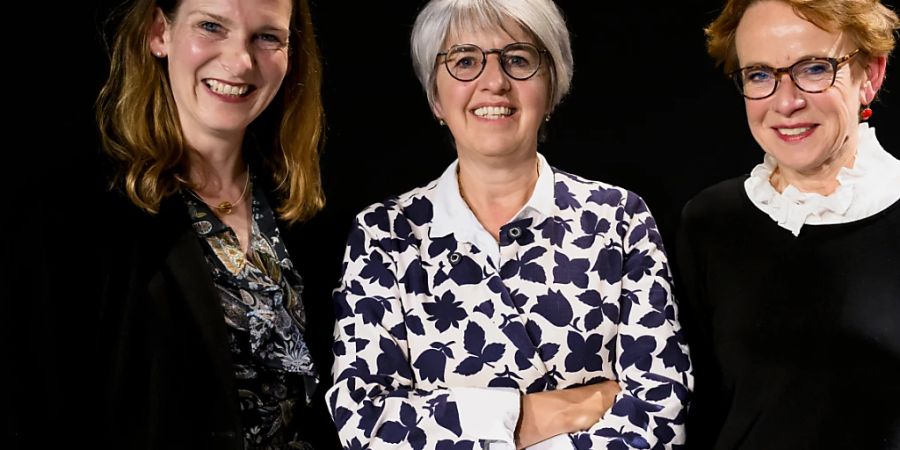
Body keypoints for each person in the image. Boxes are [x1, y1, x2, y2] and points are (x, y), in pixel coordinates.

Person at [326, 1, 692, 448]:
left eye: (518, 60)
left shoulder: (619, 216)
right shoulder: (385, 233)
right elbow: (364, 421)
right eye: (464, 61)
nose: (494, 82)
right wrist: (539, 412)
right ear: (435, 97)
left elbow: (660, 411)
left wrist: (456, 422)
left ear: (551, 84)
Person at [94, 0, 336, 448]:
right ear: (158, 33)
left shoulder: (308, 215)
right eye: (210, 26)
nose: (240, 61)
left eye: (267, 37)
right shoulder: (79, 219)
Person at [676, 0, 900, 448]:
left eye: (814, 68)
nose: (786, 102)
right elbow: (689, 409)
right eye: (759, 75)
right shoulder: (708, 221)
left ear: (870, 76)